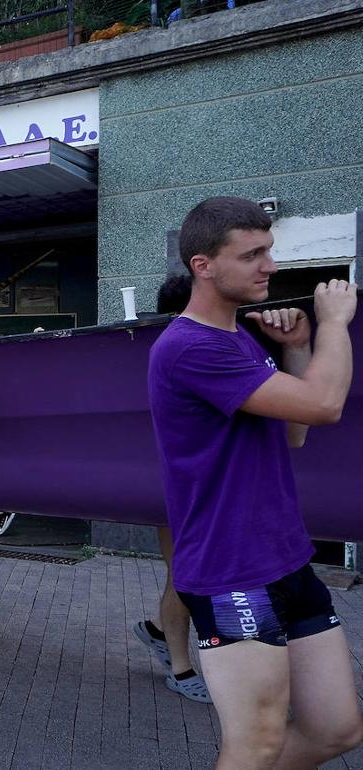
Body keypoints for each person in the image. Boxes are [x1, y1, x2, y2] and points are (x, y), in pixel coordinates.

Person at [149, 196, 361, 768]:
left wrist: (296, 348)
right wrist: (336, 321)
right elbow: (323, 405)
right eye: (253, 255)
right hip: (229, 572)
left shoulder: (239, 339)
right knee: (257, 743)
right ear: (203, 265)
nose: (270, 266)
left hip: (286, 558)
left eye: (269, 251)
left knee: (337, 730)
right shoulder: (190, 347)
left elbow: (293, 434)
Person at [131, 273, 212, 704]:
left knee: (184, 573)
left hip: (204, 485)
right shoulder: (171, 351)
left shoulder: (212, 347)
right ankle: (180, 668)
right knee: (183, 574)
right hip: (174, 485)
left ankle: (160, 633)